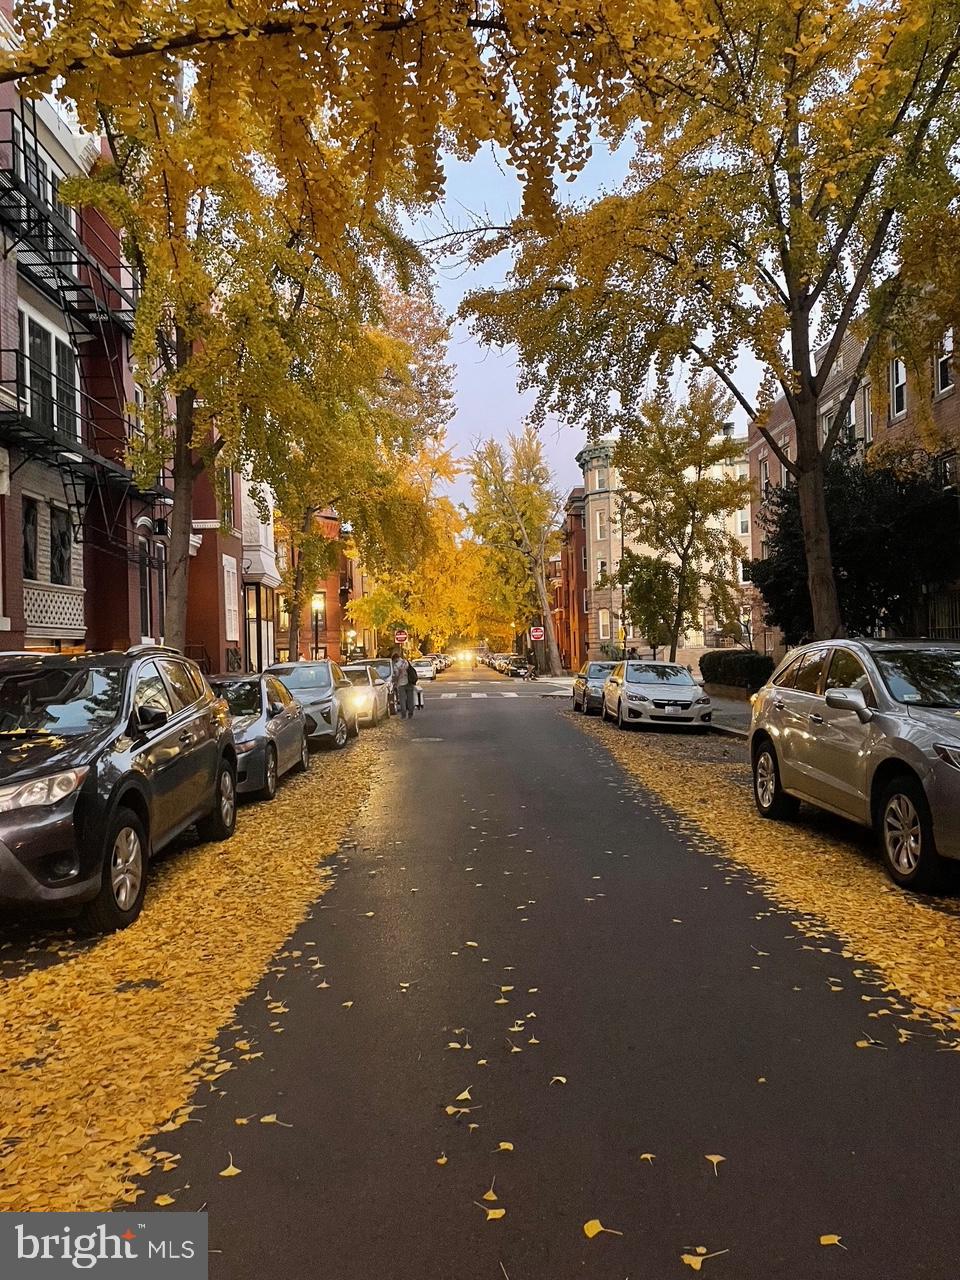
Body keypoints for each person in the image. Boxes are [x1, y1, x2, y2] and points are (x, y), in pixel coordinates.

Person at [392, 649, 417, 719]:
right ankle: (410, 713)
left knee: (402, 699)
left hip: (401, 684)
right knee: (410, 699)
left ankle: (403, 714)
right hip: (409, 682)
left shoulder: (396, 665)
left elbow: (396, 675)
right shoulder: (406, 662)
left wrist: (395, 682)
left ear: (395, 659)